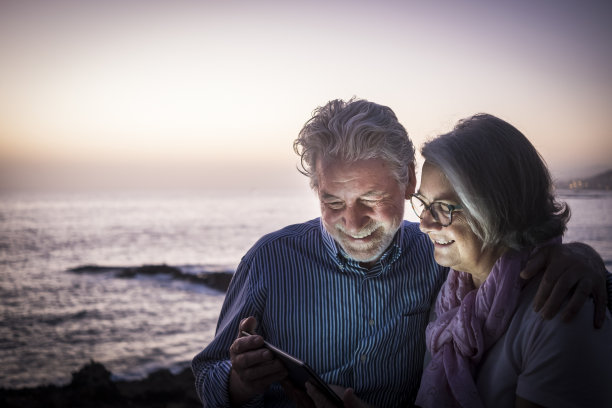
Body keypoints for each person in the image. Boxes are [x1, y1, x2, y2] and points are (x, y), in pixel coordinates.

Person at [191, 99, 610, 408]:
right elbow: (207, 377)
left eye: (371, 198)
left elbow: (514, 258)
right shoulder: (269, 262)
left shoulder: (441, 259)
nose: (352, 223)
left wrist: (582, 259)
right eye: (333, 202)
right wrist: (237, 383)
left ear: (408, 180)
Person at [410, 114, 612, 407]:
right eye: (424, 204)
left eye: (442, 207)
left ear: (497, 209)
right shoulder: (452, 296)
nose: (424, 224)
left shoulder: (559, 314)